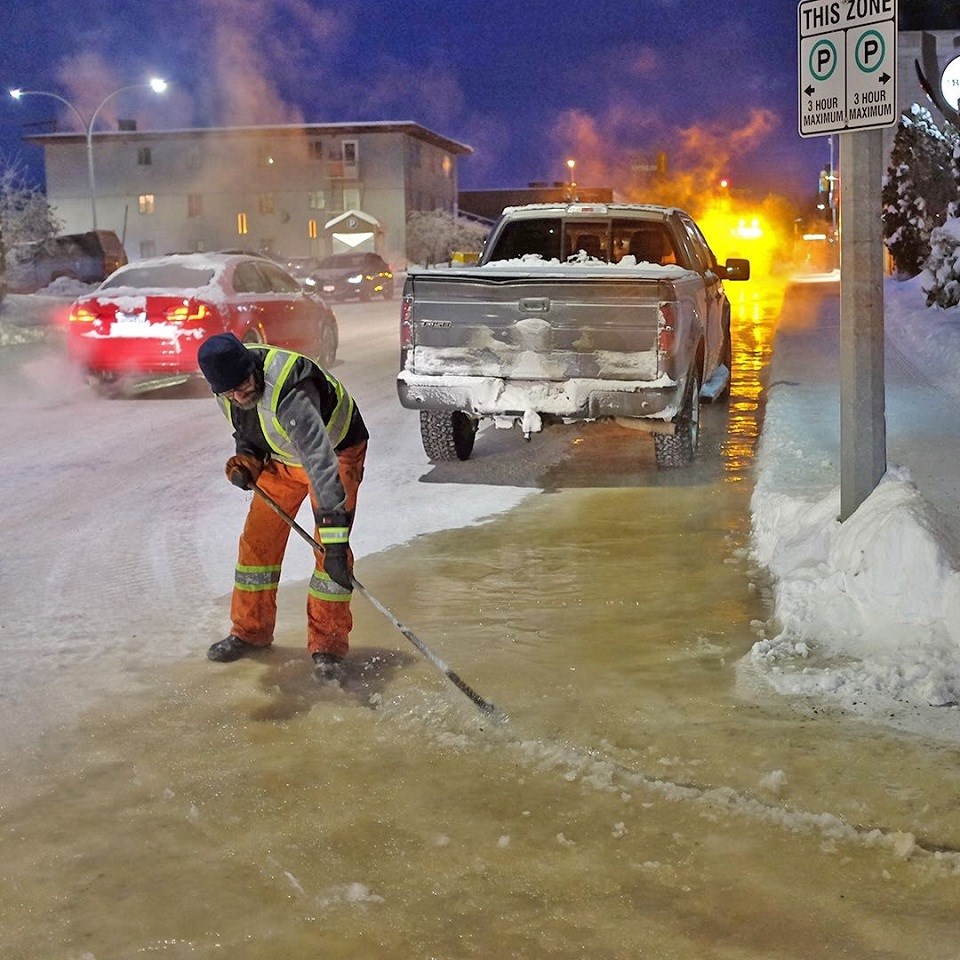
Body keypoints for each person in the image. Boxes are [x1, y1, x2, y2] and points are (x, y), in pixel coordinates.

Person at [196, 332, 368, 682]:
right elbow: (248, 426)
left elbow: (320, 465)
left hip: (335, 453)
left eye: (243, 385)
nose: (239, 395)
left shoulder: (290, 392)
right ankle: (250, 632)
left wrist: (334, 543)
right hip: (283, 459)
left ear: (251, 366)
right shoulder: (227, 390)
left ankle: (328, 649)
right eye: (229, 392)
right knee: (258, 542)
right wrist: (247, 460)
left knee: (328, 557)